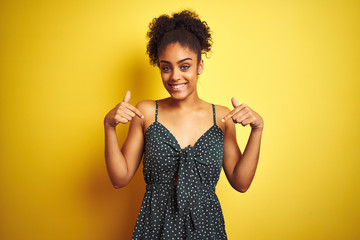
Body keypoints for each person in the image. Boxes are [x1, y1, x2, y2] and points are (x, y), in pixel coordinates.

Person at [103, 9, 264, 239]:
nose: (175, 76)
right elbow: (120, 179)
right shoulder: (147, 112)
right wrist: (109, 126)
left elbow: (241, 183)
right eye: (166, 67)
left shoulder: (222, 117)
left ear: (200, 66)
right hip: (155, 227)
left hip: (207, 229)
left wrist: (258, 130)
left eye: (185, 66)